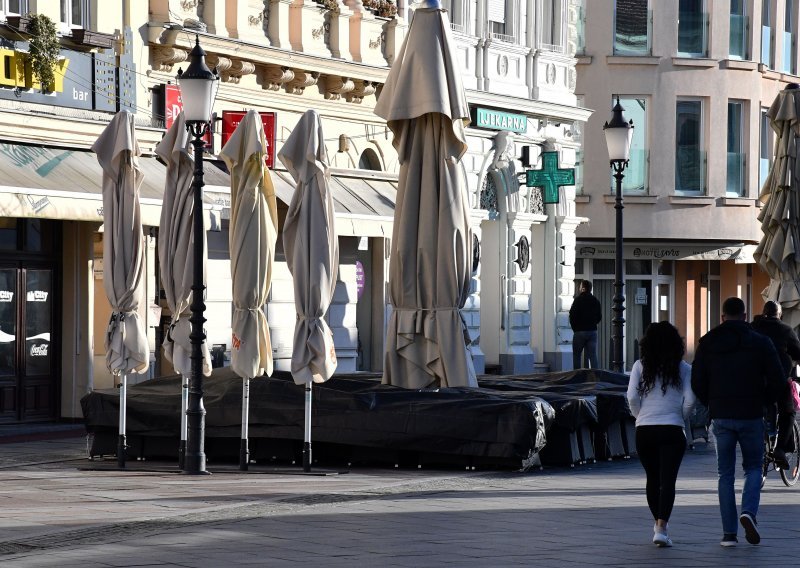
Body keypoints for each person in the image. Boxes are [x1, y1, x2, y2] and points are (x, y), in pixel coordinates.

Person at [691, 297, 786, 547]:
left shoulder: (708, 342)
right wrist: (764, 402)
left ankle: (728, 534)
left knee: (725, 474)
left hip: (721, 415)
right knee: (754, 467)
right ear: (745, 316)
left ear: (722, 317)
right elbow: (778, 379)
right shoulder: (761, 342)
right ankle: (748, 512)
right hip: (751, 413)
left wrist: (712, 402)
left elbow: (697, 380)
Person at [626, 321, 695, 548]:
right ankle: (661, 527)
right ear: (676, 344)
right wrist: (680, 417)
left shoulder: (639, 366)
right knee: (668, 481)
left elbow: (632, 397)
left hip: (645, 430)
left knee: (652, 479)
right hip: (672, 429)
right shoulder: (684, 368)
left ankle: (657, 524)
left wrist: (640, 417)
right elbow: (691, 400)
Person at [751, 300, 800, 470]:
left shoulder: (752, 327)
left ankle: (764, 433)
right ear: (779, 314)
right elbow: (798, 352)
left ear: (763, 312)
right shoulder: (785, 330)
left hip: (754, 381)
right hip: (778, 380)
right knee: (789, 412)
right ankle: (779, 449)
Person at [569, 280, 602, 370]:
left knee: (577, 356)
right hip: (592, 331)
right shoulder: (595, 300)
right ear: (590, 289)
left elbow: (572, 315)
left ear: (582, 288)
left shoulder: (578, 300)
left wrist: (575, 328)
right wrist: (593, 324)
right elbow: (599, 316)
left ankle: (578, 377)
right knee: (593, 355)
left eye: (580, 286)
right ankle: (595, 376)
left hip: (579, 331)